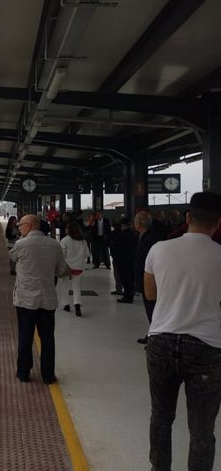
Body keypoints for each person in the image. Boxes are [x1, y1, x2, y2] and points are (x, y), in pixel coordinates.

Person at [143, 191, 221, 471]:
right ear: (218, 223)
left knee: (161, 416)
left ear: (187, 217)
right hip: (207, 347)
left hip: (161, 340)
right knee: (202, 427)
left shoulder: (159, 249)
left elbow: (150, 294)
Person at [9, 214, 69, 384]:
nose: (19, 228)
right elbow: (62, 269)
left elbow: (12, 257)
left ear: (28, 226)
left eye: (20, 225)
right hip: (47, 300)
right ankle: (48, 375)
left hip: (25, 301)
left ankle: (23, 373)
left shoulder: (21, 244)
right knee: (48, 338)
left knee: (25, 337)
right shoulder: (54, 245)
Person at [133, 211, 161, 344]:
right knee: (151, 309)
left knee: (152, 309)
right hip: (147, 278)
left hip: (150, 280)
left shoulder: (150, 239)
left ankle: (155, 338)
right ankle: (152, 334)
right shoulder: (145, 236)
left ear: (139, 223)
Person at [55, 221, 89, 317]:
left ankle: (66, 305)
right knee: (76, 287)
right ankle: (77, 305)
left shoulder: (65, 240)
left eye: (67, 228)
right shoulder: (83, 241)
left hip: (67, 268)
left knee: (65, 286)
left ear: (70, 230)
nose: (65, 229)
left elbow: (61, 255)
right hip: (79, 268)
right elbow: (87, 254)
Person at [110, 217, 138, 304]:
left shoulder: (122, 235)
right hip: (132, 260)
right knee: (131, 278)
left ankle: (127, 297)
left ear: (122, 226)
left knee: (125, 280)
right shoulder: (134, 234)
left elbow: (117, 247)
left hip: (123, 261)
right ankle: (130, 294)